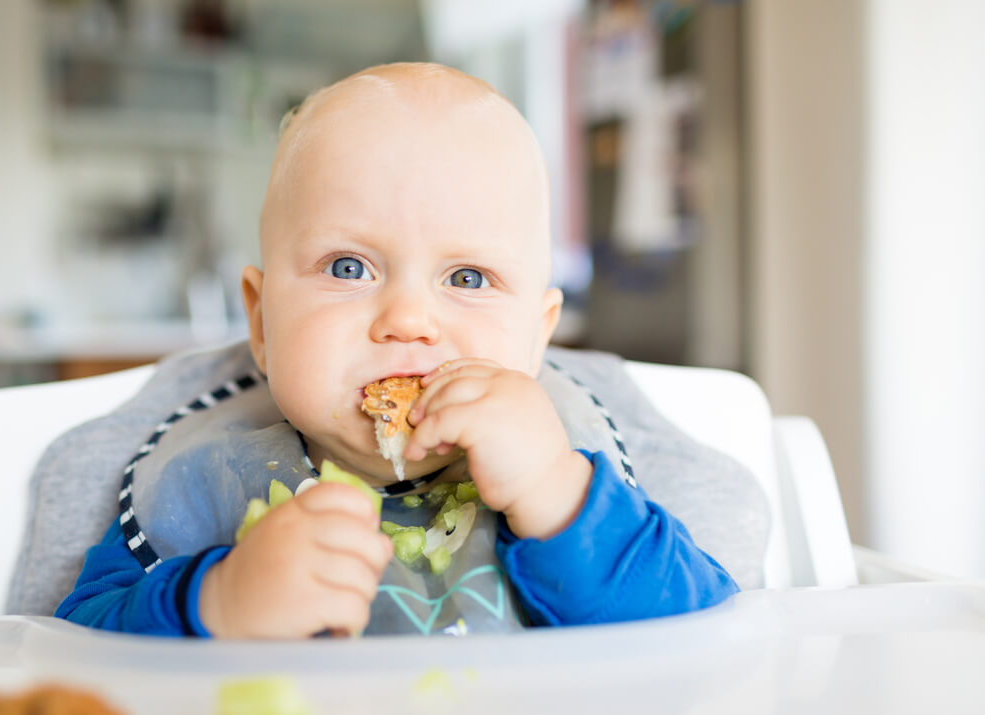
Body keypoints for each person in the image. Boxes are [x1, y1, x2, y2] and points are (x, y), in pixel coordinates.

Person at [45, 63, 755, 639]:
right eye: (349, 268)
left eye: (469, 278)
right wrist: (216, 600)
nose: (409, 320)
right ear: (261, 325)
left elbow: (701, 638)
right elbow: (77, 644)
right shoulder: (207, 479)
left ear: (537, 340)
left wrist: (556, 493)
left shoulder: (573, 474)